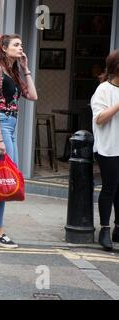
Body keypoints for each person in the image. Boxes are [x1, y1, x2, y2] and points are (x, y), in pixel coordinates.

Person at [0, 34, 38, 248]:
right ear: (4, 48)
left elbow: (33, 95)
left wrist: (26, 68)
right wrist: (0, 138)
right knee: (4, 179)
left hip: (10, 125)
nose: (20, 47)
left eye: (21, 44)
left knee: (4, 176)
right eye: (16, 44)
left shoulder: (12, 71)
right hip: (0, 125)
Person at [90, 49, 119, 251]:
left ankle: (118, 228)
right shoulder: (103, 90)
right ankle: (105, 229)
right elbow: (99, 119)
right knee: (110, 187)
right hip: (108, 148)